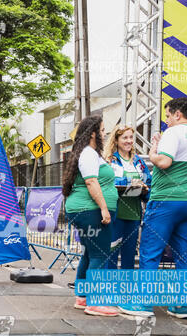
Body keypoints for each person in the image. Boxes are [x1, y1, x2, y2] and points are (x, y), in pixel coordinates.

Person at [120, 97, 187, 319]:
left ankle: (143, 304)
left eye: (168, 115)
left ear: (178, 114)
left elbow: (164, 162)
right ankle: (180, 305)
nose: (166, 120)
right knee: (184, 254)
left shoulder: (173, 133)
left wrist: (153, 150)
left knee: (151, 251)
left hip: (166, 201)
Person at [62, 115, 119, 317]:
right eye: (102, 130)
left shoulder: (87, 152)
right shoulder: (88, 153)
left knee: (89, 252)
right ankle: (95, 302)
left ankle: (83, 297)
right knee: (100, 254)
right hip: (90, 211)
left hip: (85, 210)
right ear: (93, 133)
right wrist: (104, 208)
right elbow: (91, 182)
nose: (104, 134)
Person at [103, 125, 151, 269]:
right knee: (111, 253)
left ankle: (126, 288)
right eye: (125, 137)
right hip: (115, 214)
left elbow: (148, 182)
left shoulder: (138, 161)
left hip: (134, 215)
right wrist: (130, 182)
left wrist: (144, 188)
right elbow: (107, 182)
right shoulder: (109, 160)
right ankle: (108, 288)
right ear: (116, 140)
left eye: (131, 137)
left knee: (129, 256)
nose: (129, 141)